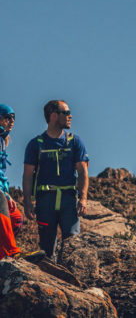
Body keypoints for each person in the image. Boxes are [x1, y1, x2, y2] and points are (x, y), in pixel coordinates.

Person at [23, 100, 89, 261]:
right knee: (46, 249)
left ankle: (72, 283)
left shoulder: (75, 142)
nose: (70, 116)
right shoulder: (35, 144)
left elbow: (82, 171)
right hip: (45, 201)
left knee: (73, 245)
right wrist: (27, 202)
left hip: (68, 201)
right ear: (53, 115)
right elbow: (27, 175)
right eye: (66, 113)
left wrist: (83, 198)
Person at [0, 104, 44, 262]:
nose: (11, 121)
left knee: (16, 217)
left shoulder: (2, 141)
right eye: (7, 117)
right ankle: (11, 252)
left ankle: (2, 255)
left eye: (13, 118)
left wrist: (5, 192)